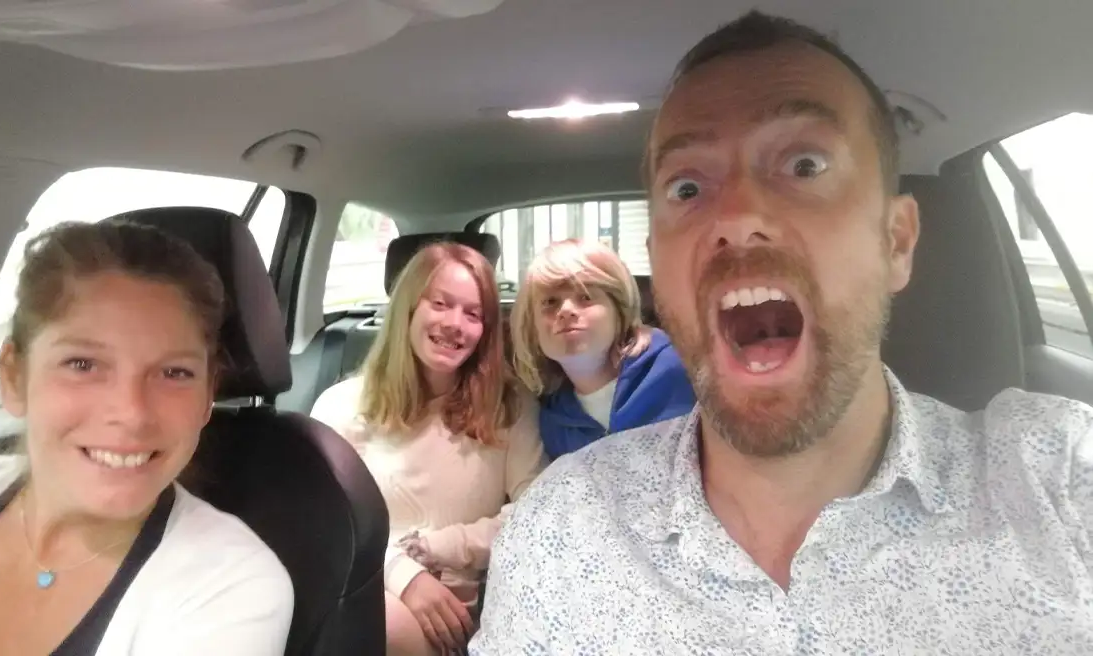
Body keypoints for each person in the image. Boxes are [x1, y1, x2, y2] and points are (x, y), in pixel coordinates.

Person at [471, 11, 1093, 655]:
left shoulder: (1059, 481)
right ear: (659, 259)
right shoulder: (559, 532)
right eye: (687, 186)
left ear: (897, 241)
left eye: (804, 165)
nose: (738, 217)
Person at [0, 221, 293, 654]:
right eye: (83, 364)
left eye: (174, 373)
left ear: (208, 397)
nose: (131, 414)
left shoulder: (234, 586)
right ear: (14, 377)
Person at [310, 241, 546, 656]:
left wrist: (448, 546)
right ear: (408, 308)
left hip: (457, 619)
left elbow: (537, 518)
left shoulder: (510, 406)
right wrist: (403, 575)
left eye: (474, 314)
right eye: (441, 303)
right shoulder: (341, 405)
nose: (456, 324)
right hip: (362, 596)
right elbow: (321, 526)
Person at [510, 239, 695, 460]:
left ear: (619, 311)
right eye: (550, 302)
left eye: (586, 296)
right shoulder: (549, 420)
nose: (566, 310)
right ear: (532, 328)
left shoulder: (683, 372)